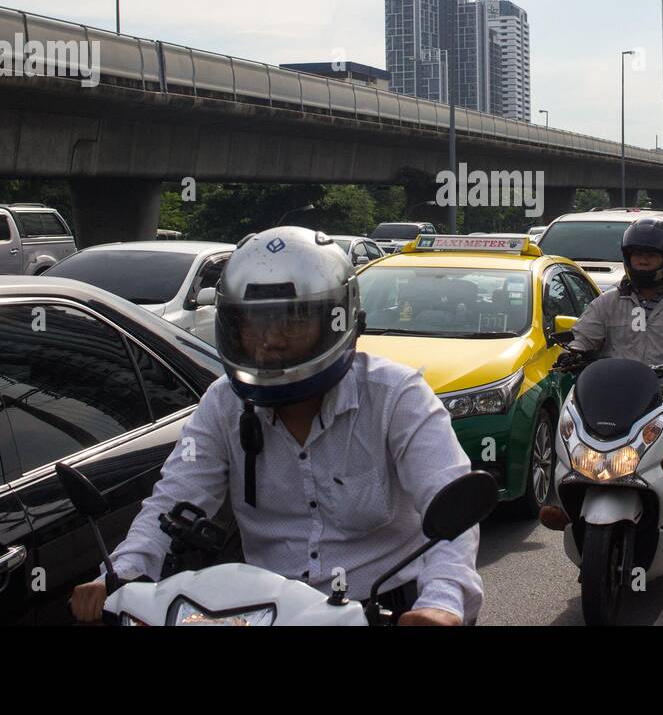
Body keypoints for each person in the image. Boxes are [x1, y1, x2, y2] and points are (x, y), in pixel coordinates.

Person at [69, 226, 482, 626]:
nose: (272, 340)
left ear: (338, 320)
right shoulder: (223, 404)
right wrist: (120, 574)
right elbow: (175, 501)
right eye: (255, 324)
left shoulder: (396, 395)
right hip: (263, 611)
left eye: (294, 321)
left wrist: (441, 603)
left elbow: (449, 507)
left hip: (385, 606)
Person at [542, 217, 663, 557]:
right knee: (567, 427)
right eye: (636, 255)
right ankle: (563, 501)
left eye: (650, 256)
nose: (641, 261)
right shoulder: (608, 303)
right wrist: (576, 351)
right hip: (611, 395)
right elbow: (585, 333)